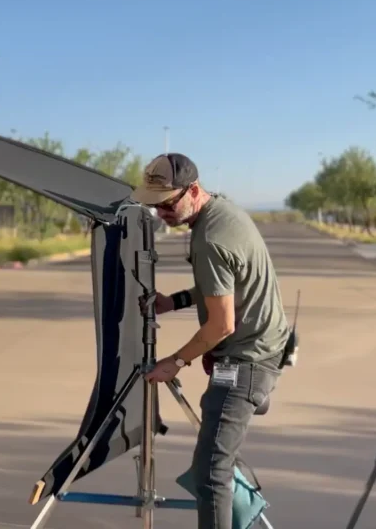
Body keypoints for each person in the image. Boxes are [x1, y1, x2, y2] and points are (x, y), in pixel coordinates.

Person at [133, 153, 289, 529]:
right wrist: (176, 302)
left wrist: (176, 360)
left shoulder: (210, 237)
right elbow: (221, 288)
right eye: (154, 207)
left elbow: (221, 325)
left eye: (167, 204)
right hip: (254, 348)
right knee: (217, 461)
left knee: (211, 472)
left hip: (247, 360)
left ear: (194, 190)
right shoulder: (221, 213)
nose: (162, 214)